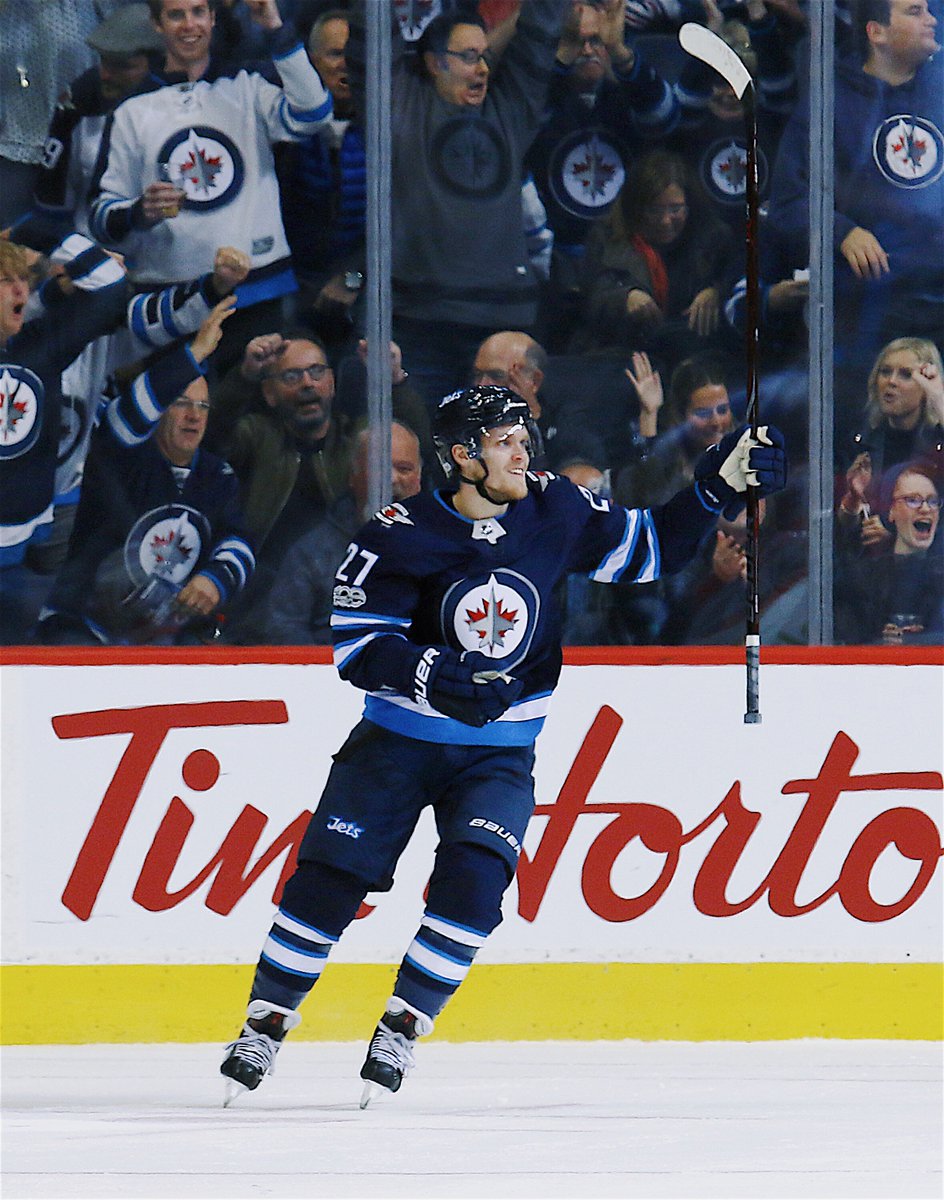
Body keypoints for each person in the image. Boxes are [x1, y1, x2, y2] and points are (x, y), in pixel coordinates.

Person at [218, 384, 786, 1106]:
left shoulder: (557, 507)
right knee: (329, 881)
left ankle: (404, 1022)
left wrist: (713, 487)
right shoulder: (394, 534)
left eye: (524, 436)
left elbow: (651, 549)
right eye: (505, 440)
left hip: (499, 752)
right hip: (396, 743)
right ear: (462, 456)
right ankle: (266, 1022)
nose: (524, 450)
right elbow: (358, 646)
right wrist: (432, 674)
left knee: (476, 884)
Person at [88, 0, 334, 374]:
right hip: (170, 303)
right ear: (157, 24)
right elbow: (102, 218)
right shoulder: (131, 112)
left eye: (198, 12)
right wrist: (140, 211)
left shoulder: (248, 89)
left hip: (258, 292)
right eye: (175, 15)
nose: (190, 25)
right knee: (182, 420)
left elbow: (314, 114)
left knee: (253, 423)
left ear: (213, 18)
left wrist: (273, 26)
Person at [345, 0, 570, 408]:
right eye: (468, 57)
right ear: (433, 63)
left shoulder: (510, 114)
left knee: (502, 452)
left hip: (502, 326)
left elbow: (539, 37)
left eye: (484, 56)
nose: (482, 69)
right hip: (418, 324)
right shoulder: (400, 108)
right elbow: (370, 43)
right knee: (422, 447)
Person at [34, 298, 254, 645]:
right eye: (180, 403)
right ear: (159, 409)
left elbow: (237, 539)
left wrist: (216, 579)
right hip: (83, 628)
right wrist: (193, 354)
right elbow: (127, 416)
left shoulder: (217, 476)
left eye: (202, 406)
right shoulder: (121, 455)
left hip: (166, 637)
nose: (194, 416)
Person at [766, 0, 943, 372]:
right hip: (870, 308)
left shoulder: (941, 92)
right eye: (915, 12)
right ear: (876, 32)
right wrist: (842, 233)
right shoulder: (830, 104)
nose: (931, 20)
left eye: (929, 10)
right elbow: (787, 202)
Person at [0, 215, 128, 642]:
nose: (21, 290)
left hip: (26, 559)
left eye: (23, 280)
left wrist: (28, 231)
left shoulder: (41, 345)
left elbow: (109, 283)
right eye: (5, 280)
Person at [524, 0, 680, 349]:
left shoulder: (627, 96)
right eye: (578, 41)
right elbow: (524, 116)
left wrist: (621, 51)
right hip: (550, 269)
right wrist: (561, 55)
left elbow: (666, 120)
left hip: (623, 263)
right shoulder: (545, 99)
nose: (588, 50)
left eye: (597, 41)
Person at [220, 332, 354, 640]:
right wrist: (244, 377)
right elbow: (214, 437)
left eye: (317, 372)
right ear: (269, 392)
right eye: (292, 376)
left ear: (331, 383)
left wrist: (396, 384)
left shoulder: (355, 440)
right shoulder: (257, 437)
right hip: (262, 603)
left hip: (338, 599)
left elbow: (413, 447)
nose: (307, 383)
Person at [574, 148, 734, 373]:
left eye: (675, 209)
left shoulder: (714, 237)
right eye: (654, 210)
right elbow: (592, 295)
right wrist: (624, 297)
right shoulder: (607, 236)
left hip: (693, 358)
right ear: (636, 208)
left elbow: (737, 279)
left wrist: (716, 291)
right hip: (622, 355)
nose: (666, 221)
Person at [264, 420, 423, 643]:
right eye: (378, 467)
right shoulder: (311, 554)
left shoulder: (446, 547)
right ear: (353, 476)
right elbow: (283, 633)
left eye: (404, 469)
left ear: (419, 480)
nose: (391, 479)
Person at [275, 8, 367, 357]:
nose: (345, 64)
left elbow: (404, 220)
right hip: (294, 280)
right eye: (334, 54)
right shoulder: (282, 128)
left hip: (363, 281)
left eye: (353, 54)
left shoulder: (388, 127)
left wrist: (353, 277)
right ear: (311, 62)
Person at [835, 461, 943, 643]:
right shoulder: (864, 577)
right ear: (890, 511)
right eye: (913, 500)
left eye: (933, 501)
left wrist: (916, 642)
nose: (925, 509)